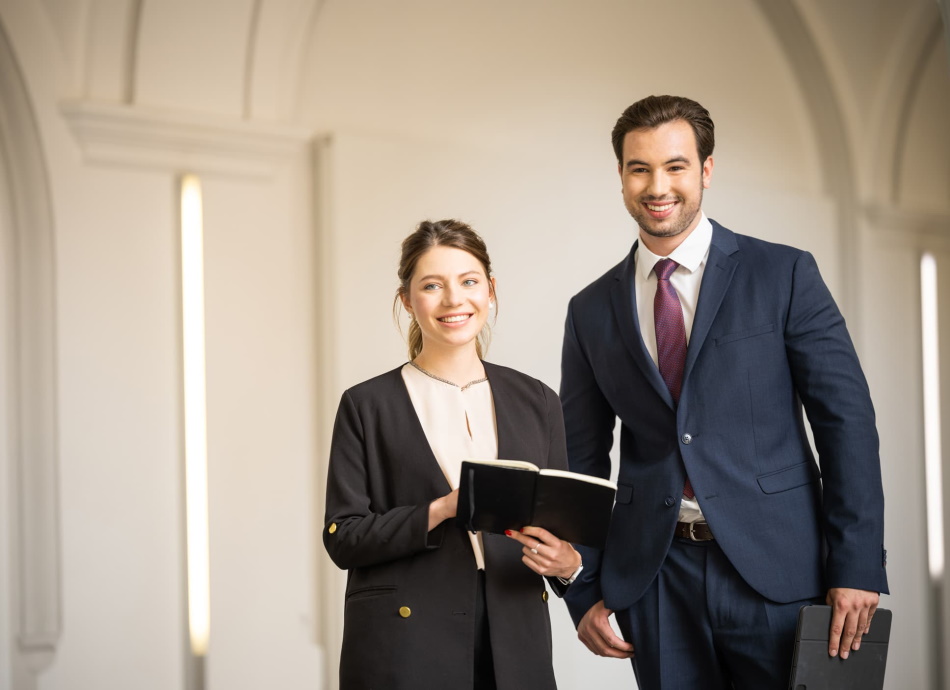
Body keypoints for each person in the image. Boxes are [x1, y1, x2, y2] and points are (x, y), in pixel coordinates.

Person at [560, 95, 888, 689]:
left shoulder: (783, 274)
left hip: (782, 573)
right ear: (621, 177)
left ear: (706, 170)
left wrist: (858, 563)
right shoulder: (589, 310)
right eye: (640, 168)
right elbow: (579, 462)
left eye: (676, 166)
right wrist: (582, 591)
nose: (658, 185)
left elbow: (847, 422)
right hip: (655, 583)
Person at [323, 219, 583, 689]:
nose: (453, 300)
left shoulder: (538, 400)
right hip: (406, 641)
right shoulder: (366, 405)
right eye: (431, 285)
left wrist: (569, 565)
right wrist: (442, 509)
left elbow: (560, 527)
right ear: (407, 299)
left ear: (490, 290)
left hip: (515, 633)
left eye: (468, 281)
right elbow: (343, 538)